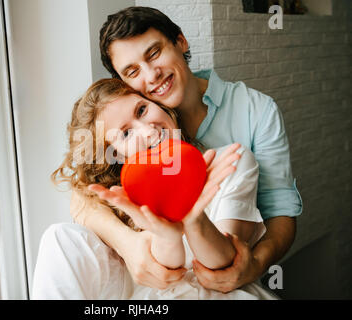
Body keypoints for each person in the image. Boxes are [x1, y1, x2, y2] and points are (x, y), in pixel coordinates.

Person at [69, 6, 302, 293]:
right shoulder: (133, 129)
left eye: (154, 53)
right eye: (132, 71)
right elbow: (83, 193)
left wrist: (255, 262)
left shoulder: (255, 111)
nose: (151, 75)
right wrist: (126, 243)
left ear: (180, 41)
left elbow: (281, 212)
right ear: (122, 83)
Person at [32, 78, 277, 299]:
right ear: (115, 154)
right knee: (59, 236)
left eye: (142, 109)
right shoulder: (123, 199)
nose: (149, 131)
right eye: (126, 133)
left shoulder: (227, 161)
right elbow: (164, 272)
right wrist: (167, 234)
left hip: (218, 294)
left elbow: (223, 267)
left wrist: (194, 218)